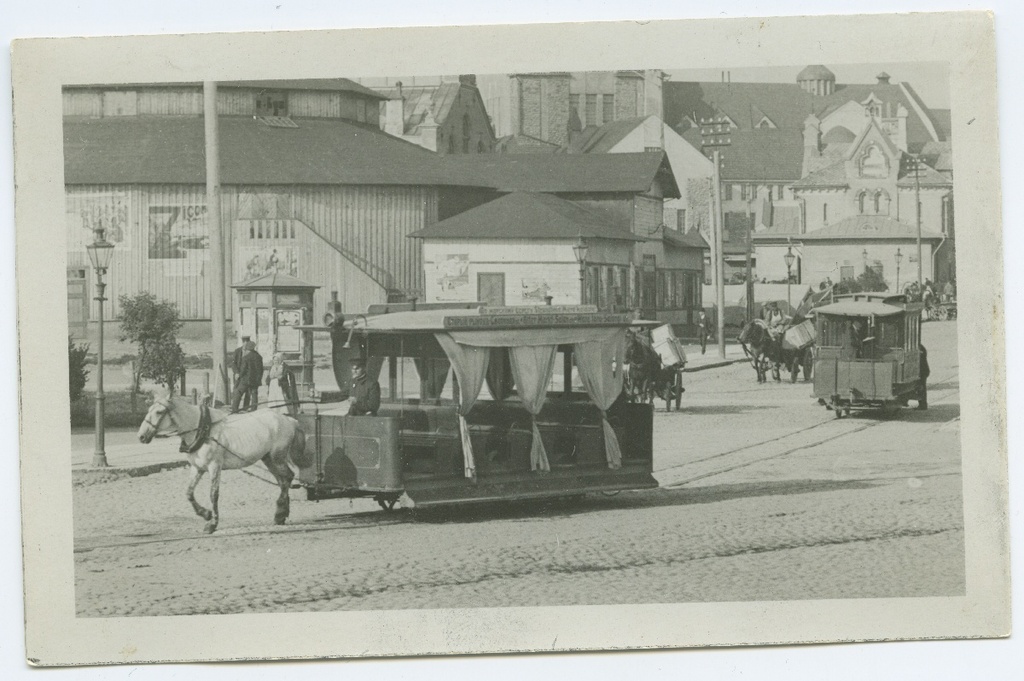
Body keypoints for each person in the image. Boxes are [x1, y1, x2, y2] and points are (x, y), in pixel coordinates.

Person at [231, 341, 264, 413]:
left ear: (247, 349)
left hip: (246, 379)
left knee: (238, 392)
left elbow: (243, 369)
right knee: (254, 394)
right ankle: (254, 409)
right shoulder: (259, 357)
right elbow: (261, 369)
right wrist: (259, 378)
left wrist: (239, 376)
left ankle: (234, 409)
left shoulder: (246, 357)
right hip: (255, 380)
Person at [231, 335, 252, 411]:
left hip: (247, 376)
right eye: (244, 341)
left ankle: (245, 408)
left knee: (248, 392)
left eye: (247, 341)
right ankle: (234, 408)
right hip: (238, 375)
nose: (245, 343)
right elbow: (233, 364)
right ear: (242, 342)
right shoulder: (237, 351)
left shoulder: (251, 351)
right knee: (237, 391)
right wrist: (236, 372)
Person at [918, 343, 930, 410]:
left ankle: (923, 405)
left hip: (923, 371)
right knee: (922, 387)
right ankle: (922, 404)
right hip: (923, 370)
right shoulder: (921, 347)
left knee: (922, 387)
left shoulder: (920, 348)